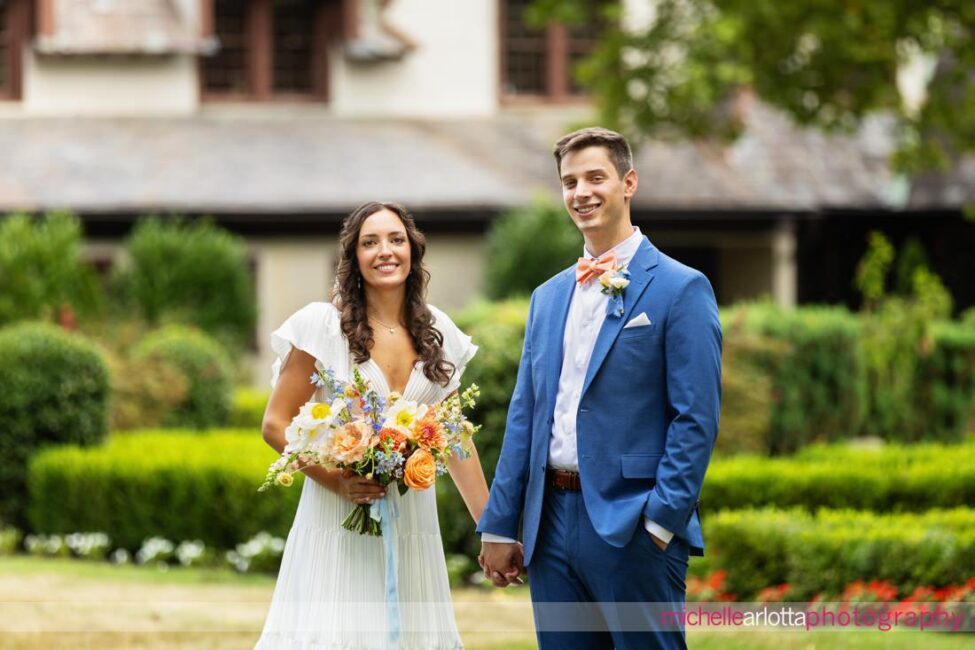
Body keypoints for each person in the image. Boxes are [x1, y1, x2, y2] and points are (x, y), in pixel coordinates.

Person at [477, 127, 722, 650]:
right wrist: (500, 525)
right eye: (569, 182)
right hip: (550, 527)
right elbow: (526, 415)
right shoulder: (547, 297)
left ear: (628, 182)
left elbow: (695, 418)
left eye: (595, 177)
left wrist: (659, 522)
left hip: (633, 525)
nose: (581, 192)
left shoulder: (682, 288)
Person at [255, 201, 488, 649]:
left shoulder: (438, 331)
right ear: (354, 258)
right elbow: (275, 424)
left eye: (396, 239)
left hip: (413, 522)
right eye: (370, 242)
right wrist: (337, 480)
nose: (386, 251)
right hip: (337, 518)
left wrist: (491, 530)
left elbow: (456, 436)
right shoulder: (321, 326)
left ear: (413, 251)